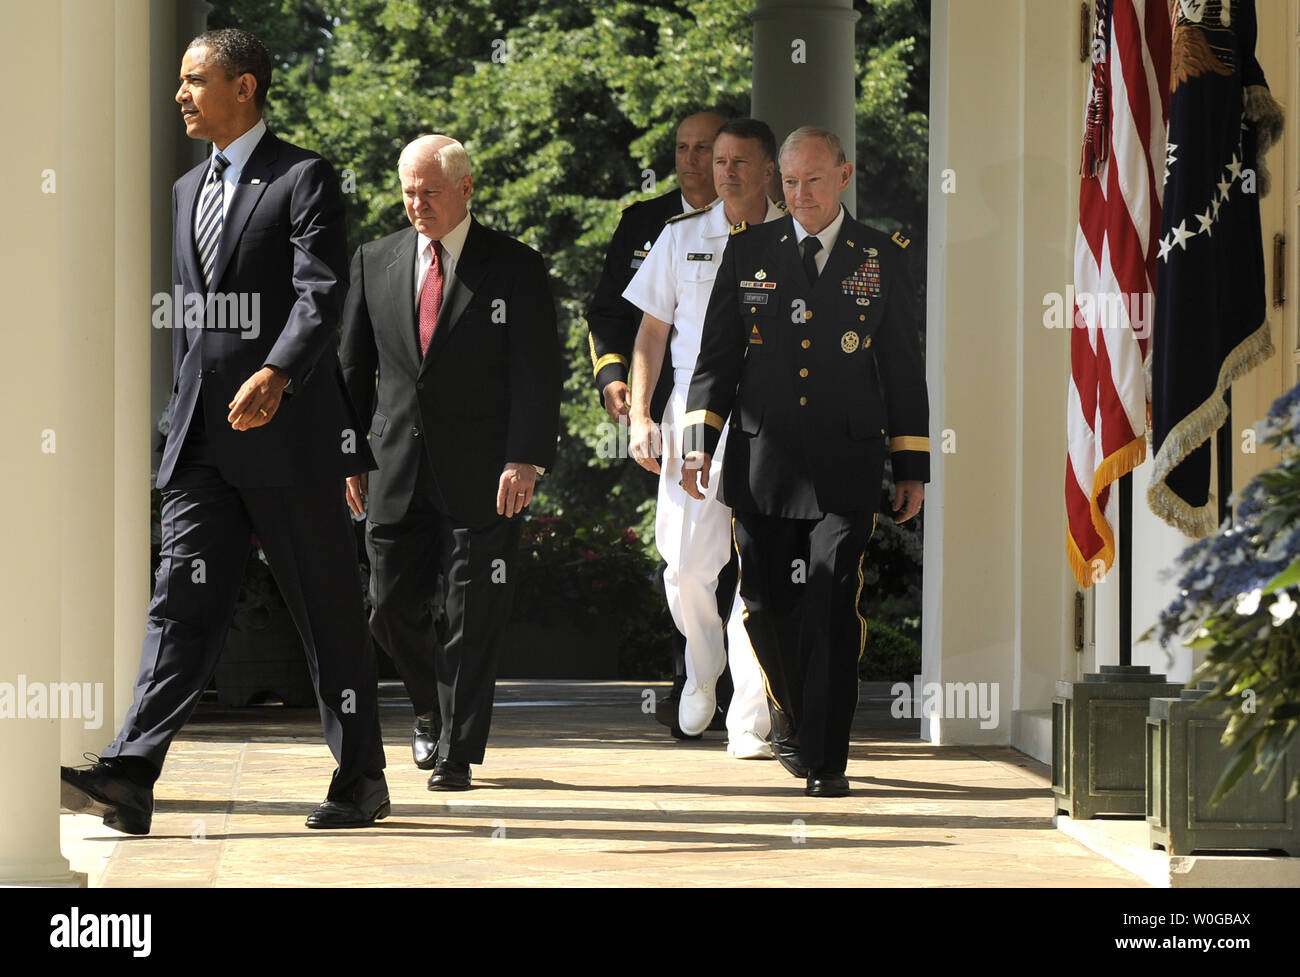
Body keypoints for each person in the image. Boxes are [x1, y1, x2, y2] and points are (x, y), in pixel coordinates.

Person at [60, 28, 388, 832]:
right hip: (203, 440)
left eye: (195, 79)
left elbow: (320, 293)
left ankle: (362, 777)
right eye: (179, 80)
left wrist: (276, 372)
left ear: (244, 87)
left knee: (326, 614)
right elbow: (188, 325)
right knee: (180, 601)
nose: (181, 94)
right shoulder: (184, 191)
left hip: (288, 436)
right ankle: (132, 772)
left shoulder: (304, 177)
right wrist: (177, 422)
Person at [681, 126, 930, 797]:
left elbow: (903, 369)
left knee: (826, 599)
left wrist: (912, 464)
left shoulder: (880, 257)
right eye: (787, 182)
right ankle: (791, 712)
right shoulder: (750, 252)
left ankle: (828, 757)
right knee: (764, 606)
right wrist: (700, 442)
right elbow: (717, 360)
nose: (799, 195)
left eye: (813, 180)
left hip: (843, 467)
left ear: (844, 176)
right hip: (763, 463)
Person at [340, 135, 562, 792]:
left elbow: (537, 371)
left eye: (429, 191)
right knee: (385, 605)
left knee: (473, 611)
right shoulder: (373, 261)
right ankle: (432, 706)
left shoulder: (515, 267)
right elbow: (351, 367)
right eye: (408, 191)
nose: (416, 204)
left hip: (486, 472)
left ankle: (457, 752)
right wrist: (348, 451)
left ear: (466, 189)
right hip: (394, 466)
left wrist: (525, 457)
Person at [623, 118, 787, 756]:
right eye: (719, 162)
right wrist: (640, 415)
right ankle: (703, 662)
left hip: (772, 420)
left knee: (761, 567)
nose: (726, 173)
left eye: (741, 162)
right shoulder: (680, 237)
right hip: (693, 421)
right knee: (687, 566)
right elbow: (650, 335)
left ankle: (750, 714)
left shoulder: (794, 236)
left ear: (767, 170)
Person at [585, 111, 737, 738]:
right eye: (683, 148)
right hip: (673, 417)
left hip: (748, 417)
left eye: (707, 150)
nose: (693, 161)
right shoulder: (646, 224)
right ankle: (697, 672)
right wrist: (617, 384)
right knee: (682, 557)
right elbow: (611, 316)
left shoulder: (773, 226)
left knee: (744, 560)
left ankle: (748, 699)